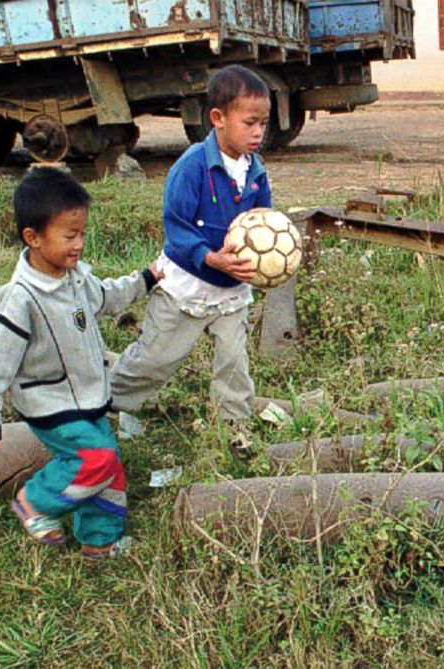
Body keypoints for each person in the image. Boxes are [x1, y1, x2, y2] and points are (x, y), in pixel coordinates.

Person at [0, 167, 161, 559]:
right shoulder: (20, 298)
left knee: (110, 470)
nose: (79, 244)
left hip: (87, 397)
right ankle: (35, 502)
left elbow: (106, 297)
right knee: (96, 459)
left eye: (82, 234)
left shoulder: (75, 277)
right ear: (33, 238)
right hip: (50, 405)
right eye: (69, 235)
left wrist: (146, 279)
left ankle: (98, 541)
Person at [108, 65, 272, 451]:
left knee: (234, 363)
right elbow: (176, 228)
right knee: (156, 360)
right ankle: (111, 403)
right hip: (184, 286)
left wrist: (265, 264)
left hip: (230, 290)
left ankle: (235, 426)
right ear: (217, 118)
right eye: (250, 122)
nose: (258, 132)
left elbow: (263, 223)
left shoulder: (256, 172)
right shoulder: (192, 166)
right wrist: (208, 257)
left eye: (263, 123)